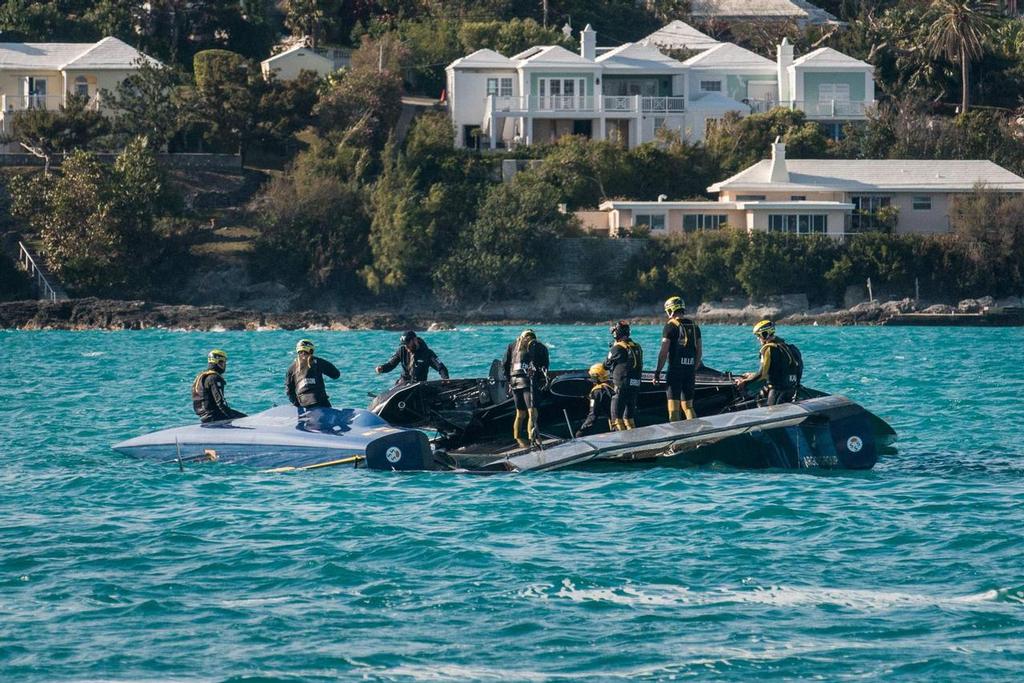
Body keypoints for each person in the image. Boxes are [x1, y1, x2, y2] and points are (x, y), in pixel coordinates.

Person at [654, 296, 702, 422]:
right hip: (690, 370)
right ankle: (696, 435)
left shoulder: (670, 326)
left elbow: (663, 352)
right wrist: (693, 369)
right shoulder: (694, 326)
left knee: (673, 408)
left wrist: (657, 372)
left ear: (671, 310)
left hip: (675, 371)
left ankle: (676, 439)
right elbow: (699, 351)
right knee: (688, 406)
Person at [735, 320, 803, 406]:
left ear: (764, 334)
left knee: (771, 413)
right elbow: (798, 368)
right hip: (791, 389)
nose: (758, 338)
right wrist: (752, 375)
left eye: (758, 335)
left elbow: (763, 373)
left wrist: (745, 382)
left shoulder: (768, 349)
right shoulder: (788, 347)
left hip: (777, 391)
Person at [502, 329, 550, 447]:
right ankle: (531, 438)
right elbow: (545, 365)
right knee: (532, 412)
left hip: (514, 382)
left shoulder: (512, 346)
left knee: (520, 414)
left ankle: (518, 439)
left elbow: (504, 364)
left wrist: (509, 381)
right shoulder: (538, 346)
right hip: (528, 382)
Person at [604, 320, 643, 430]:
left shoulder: (617, 348)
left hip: (621, 386)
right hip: (635, 385)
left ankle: (623, 442)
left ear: (616, 333)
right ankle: (634, 440)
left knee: (617, 419)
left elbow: (606, 364)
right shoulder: (637, 346)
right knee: (629, 418)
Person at [192, 349, 247, 423]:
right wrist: (232, 418)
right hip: (214, 416)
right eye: (224, 362)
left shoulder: (202, 376)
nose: (225, 365)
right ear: (218, 362)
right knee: (247, 419)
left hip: (204, 417)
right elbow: (220, 403)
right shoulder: (214, 378)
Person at [375, 331, 449, 385]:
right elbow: (391, 365)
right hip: (403, 384)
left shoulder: (427, 353)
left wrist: (445, 379)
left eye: (407, 344)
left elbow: (441, 368)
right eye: (404, 345)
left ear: (415, 340)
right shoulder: (401, 350)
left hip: (419, 385)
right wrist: (382, 368)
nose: (406, 347)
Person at [285, 339, 341, 412]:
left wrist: (297, 405)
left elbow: (289, 391)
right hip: (320, 401)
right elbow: (336, 374)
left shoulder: (291, 369)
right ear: (311, 351)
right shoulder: (317, 362)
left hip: (303, 403)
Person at [576, 363, 616, 437]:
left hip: (616, 422)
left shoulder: (597, 391)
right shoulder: (612, 386)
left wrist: (581, 431)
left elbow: (593, 415)